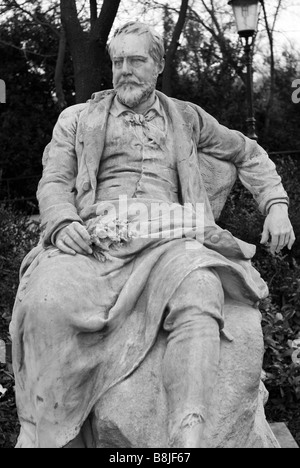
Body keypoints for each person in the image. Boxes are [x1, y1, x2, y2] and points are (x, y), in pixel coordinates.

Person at [10, 21, 295, 449]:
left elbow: (248, 152)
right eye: (118, 61)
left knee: (200, 287)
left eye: (136, 60)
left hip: (171, 233)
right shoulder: (77, 119)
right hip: (96, 234)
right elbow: (54, 181)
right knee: (44, 298)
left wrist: (276, 206)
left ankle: (188, 435)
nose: (125, 70)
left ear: (158, 65)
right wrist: (62, 222)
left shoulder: (187, 117)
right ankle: (45, 432)